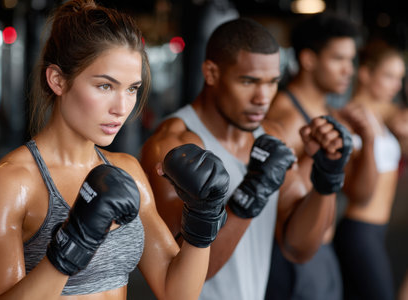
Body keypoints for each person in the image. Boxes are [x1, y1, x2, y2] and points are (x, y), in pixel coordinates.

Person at [0, 1, 231, 299]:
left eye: (132, 89)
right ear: (57, 80)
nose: (121, 108)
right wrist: (72, 246)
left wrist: (202, 220)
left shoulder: (127, 171)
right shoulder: (14, 181)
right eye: (105, 86)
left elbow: (176, 292)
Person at [140, 18, 352, 300]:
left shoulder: (270, 137)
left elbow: (298, 248)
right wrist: (249, 195)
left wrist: (326, 179)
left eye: (272, 83)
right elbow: (185, 273)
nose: (262, 98)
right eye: (248, 81)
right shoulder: (172, 146)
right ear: (211, 73)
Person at [264, 13, 360, 300]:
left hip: (323, 250)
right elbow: (272, 202)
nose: (349, 70)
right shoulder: (286, 120)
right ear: (308, 60)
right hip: (293, 261)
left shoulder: (326, 112)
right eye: (338, 59)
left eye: (351, 60)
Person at [333, 39, 408, 300]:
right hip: (359, 230)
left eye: (400, 78)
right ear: (365, 73)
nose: (396, 86)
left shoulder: (384, 115)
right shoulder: (348, 119)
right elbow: (356, 190)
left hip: (377, 230)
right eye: (389, 76)